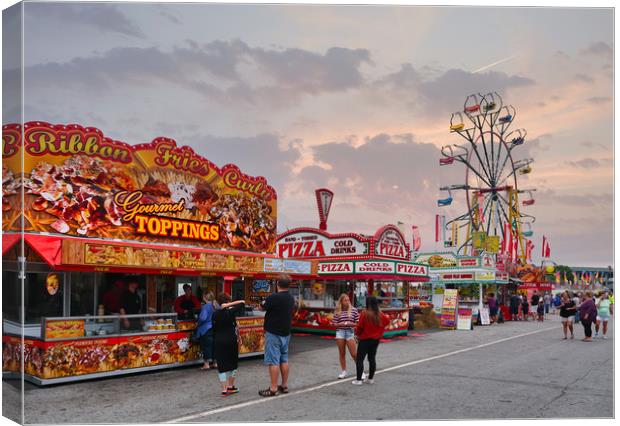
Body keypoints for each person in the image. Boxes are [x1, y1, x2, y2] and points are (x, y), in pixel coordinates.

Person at [259, 275, 295, 397]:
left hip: (273, 332)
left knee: (273, 361)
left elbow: (261, 307)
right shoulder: (291, 298)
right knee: (284, 359)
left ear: (277, 284)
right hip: (286, 332)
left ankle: (273, 388)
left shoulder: (273, 297)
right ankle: (284, 385)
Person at [212, 293, 245, 396]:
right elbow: (242, 303)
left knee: (221, 364)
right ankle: (230, 386)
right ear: (228, 302)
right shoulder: (231, 312)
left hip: (218, 340)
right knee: (233, 363)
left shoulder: (215, 314)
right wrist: (227, 305)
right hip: (231, 340)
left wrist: (223, 305)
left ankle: (224, 389)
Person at [351, 296, 389, 386]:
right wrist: (380, 331)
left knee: (360, 359)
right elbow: (387, 321)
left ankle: (359, 380)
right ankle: (370, 379)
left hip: (364, 339)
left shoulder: (365, 313)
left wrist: (356, 335)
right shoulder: (380, 314)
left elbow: (359, 327)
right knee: (372, 359)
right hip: (375, 340)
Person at [331, 294, 359, 379]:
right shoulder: (337, 311)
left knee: (354, 354)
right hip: (340, 332)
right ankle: (343, 371)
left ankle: (360, 370)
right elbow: (334, 324)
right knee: (342, 353)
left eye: (348, 300)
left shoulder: (354, 310)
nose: (347, 302)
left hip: (350, 332)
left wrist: (351, 324)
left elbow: (358, 323)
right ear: (341, 302)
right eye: (345, 300)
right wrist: (340, 324)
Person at [196, 292, 217, 370]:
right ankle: (215, 363)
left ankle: (206, 364)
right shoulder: (215, 305)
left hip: (206, 329)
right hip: (215, 328)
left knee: (206, 346)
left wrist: (198, 323)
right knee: (214, 346)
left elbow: (202, 318)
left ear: (205, 298)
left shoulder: (205, 307)